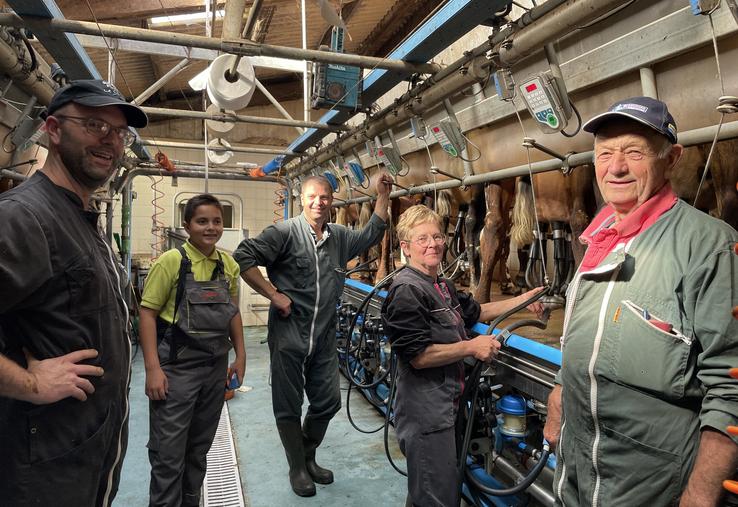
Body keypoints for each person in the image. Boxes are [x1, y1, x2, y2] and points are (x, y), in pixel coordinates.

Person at [542, 97, 738, 507]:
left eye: (634, 152)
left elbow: (732, 386)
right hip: (576, 479)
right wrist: (561, 387)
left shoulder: (710, 246)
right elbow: (586, 334)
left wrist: (701, 496)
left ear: (672, 159)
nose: (616, 167)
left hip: (651, 489)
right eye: (605, 154)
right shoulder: (600, 236)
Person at [0, 79, 148, 506]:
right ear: (53, 129)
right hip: (43, 470)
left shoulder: (81, 214)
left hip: (84, 453)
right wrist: (29, 382)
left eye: (120, 132)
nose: (111, 140)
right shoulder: (25, 218)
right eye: (94, 124)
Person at [234, 173, 392, 497]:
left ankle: (306, 454)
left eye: (324, 197)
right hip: (290, 334)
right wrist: (273, 294)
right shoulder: (284, 233)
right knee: (288, 406)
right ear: (302, 199)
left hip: (323, 337)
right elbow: (243, 256)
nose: (318, 202)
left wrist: (383, 195)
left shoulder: (339, 237)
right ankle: (297, 467)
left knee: (328, 402)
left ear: (332, 201)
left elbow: (371, 234)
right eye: (312, 197)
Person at [381, 204, 545, 507]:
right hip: (426, 415)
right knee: (437, 496)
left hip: (447, 407)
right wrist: (471, 346)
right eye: (422, 239)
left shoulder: (440, 284)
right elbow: (418, 356)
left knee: (430, 492)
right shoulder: (407, 290)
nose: (433, 244)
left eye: (438, 236)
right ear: (405, 247)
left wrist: (523, 299)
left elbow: (477, 311)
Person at [139, 193, 246, 507]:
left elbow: (233, 313)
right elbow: (146, 313)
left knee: (199, 450)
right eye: (202, 221)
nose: (210, 227)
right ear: (187, 225)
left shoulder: (228, 265)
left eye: (216, 221)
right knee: (168, 454)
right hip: (176, 369)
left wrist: (240, 355)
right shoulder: (171, 262)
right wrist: (152, 369)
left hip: (214, 368)